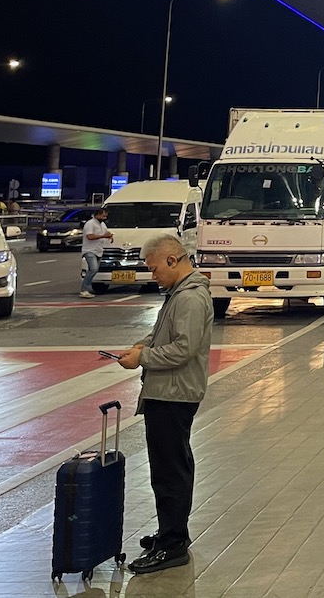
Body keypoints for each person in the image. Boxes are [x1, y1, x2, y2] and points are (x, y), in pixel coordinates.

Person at [116, 234, 214, 574]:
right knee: (168, 468)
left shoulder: (189, 298)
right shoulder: (179, 294)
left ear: (172, 261)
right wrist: (140, 346)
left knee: (170, 472)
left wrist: (143, 357)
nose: (152, 275)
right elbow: (163, 336)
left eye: (154, 268)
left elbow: (183, 349)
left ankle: (172, 546)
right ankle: (171, 533)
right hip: (168, 392)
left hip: (173, 394)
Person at [79, 207, 114, 298]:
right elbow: (90, 236)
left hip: (99, 250)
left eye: (106, 216)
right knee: (93, 268)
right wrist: (103, 236)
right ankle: (84, 289)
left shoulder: (102, 224)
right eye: (103, 216)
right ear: (97, 215)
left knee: (94, 269)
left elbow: (106, 232)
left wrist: (109, 235)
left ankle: (86, 288)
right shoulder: (90, 224)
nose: (105, 218)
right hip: (89, 250)